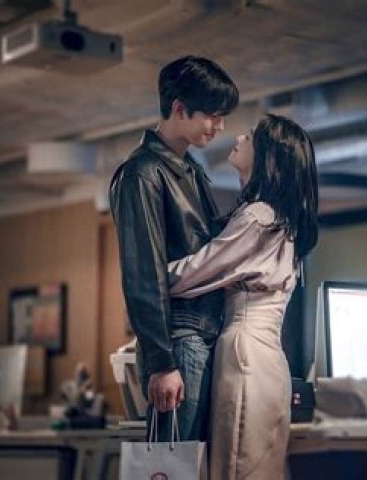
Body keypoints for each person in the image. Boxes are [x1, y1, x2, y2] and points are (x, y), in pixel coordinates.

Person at [168, 114, 319, 479]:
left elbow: (194, 273)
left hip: (244, 354)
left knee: (236, 468)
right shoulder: (281, 220)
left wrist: (145, 276)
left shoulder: (259, 217)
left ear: (267, 155)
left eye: (249, 136)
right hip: (267, 358)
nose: (237, 137)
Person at [109, 55, 239, 442]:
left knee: (193, 461)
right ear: (179, 108)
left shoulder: (190, 168)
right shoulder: (143, 173)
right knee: (175, 462)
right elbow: (142, 272)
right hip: (180, 339)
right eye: (212, 115)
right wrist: (161, 362)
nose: (219, 126)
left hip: (200, 334)